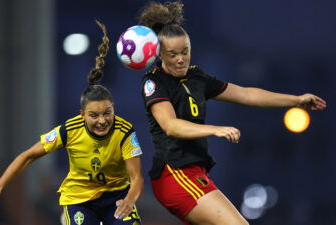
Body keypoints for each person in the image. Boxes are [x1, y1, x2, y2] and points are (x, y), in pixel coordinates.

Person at [137, 1, 327, 225]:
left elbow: (246, 94)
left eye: (185, 52)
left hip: (196, 173)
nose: (180, 59)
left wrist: (295, 100)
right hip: (175, 174)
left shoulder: (197, 78)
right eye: (172, 54)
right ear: (159, 55)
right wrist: (216, 130)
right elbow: (170, 125)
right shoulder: (155, 82)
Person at [0, 21, 144, 225]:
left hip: (116, 198)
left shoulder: (124, 131)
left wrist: (130, 200)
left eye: (107, 113)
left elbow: (137, 178)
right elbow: (28, 156)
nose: (102, 121)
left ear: (113, 109)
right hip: (80, 200)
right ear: (82, 115)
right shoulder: (69, 130)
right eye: (94, 115)